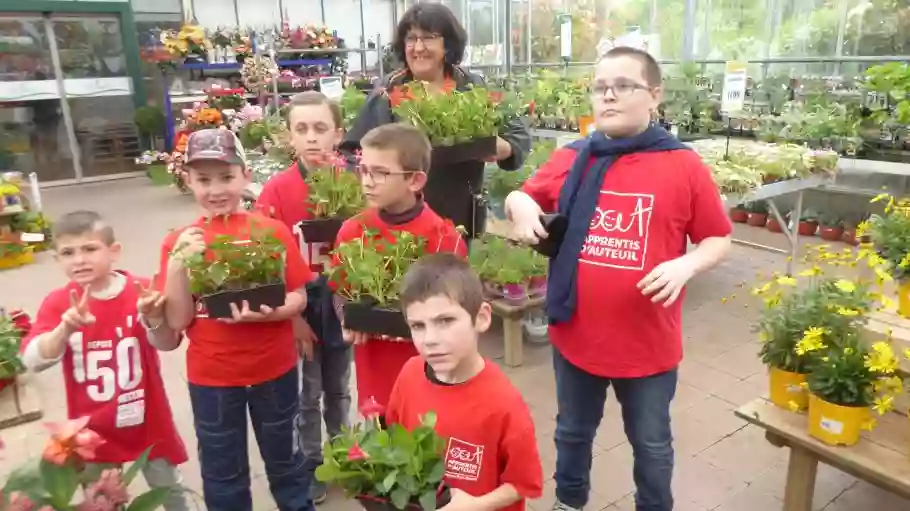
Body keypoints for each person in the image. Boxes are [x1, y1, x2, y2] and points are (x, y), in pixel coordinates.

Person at [505, 47, 733, 511]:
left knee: (651, 445)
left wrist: (685, 265)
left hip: (647, 345)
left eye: (623, 85)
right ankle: (569, 501)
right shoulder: (574, 157)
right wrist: (520, 203)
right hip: (576, 337)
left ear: (654, 95)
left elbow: (717, 238)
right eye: (600, 87)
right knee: (572, 432)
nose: (608, 96)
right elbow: (522, 195)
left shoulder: (683, 165)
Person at [151, 129, 315, 511]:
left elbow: (299, 296)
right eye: (203, 180)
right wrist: (177, 264)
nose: (216, 189)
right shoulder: (179, 240)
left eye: (226, 177)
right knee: (223, 474)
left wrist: (273, 310)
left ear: (244, 176)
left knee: (287, 464)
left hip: (274, 371)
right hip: (212, 379)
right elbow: (177, 320)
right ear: (188, 181)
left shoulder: (270, 230)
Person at [20, 210, 189, 511]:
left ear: (114, 251)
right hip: (92, 431)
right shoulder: (59, 303)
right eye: (68, 253)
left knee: (171, 493)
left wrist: (152, 317)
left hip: (148, 421)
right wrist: (64, 329)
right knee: (100, 501)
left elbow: (166, 343)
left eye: (89, 249)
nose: (79, 260)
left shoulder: (140, 291)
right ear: (57, 259)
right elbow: (32, 359)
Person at [340, 2, 531, 240]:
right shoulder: (388, 91)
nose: (418, 47)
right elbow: (352, 150)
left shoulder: (473, 85)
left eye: (428, 37)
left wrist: (503, 148)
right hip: (399, 219)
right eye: (411, 38)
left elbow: (519, 135)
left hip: (459, 215)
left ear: (448, 44)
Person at [329, 123, 467, 417]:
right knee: (383, 445)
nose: (367, 181)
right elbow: (340, 291)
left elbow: (459, 309)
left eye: (379, 172)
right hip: (375, 374)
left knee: (431, 446)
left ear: (415, 180)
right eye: (363, 169)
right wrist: (348, 319)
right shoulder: (352, 230)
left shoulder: (443, 237)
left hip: (431, 374)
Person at [386, 253, 543, 511]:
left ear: (481, 318)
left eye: (445, 321)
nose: (429, 340)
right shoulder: (409, 374)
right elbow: (395, 437)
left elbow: (524, 483)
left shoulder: (504, 404)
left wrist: (477, 505)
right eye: (417, 326)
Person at [254, 91, 350, 505]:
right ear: (288, 137)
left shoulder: (351, 181)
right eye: (302, 129)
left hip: (342, 298)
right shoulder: (276, 191)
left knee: (340, 385)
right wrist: (292, 317)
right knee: (307, 392)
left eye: (321, 128)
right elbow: (264, 260)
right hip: (302, 302)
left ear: (338, 134)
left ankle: (345, 456)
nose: (312, 138)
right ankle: (312, 463)